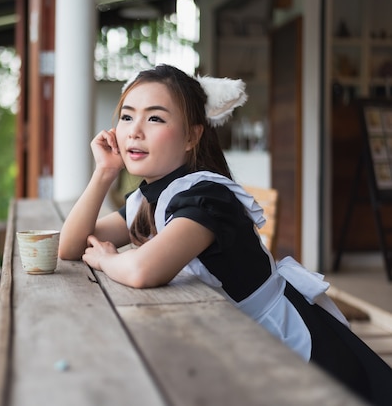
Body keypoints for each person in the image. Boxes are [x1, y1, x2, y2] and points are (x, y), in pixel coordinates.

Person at [58, 64, 392, 405]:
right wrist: (103, 172)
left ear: (192, 136)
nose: (134, 131)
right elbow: (70, 246)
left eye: (155, 118)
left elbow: (143, 270)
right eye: (127, 117)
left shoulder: (205, 197)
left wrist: (107, 259)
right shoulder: (150, 196)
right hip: (234, 336)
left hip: (282, 340)